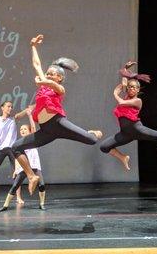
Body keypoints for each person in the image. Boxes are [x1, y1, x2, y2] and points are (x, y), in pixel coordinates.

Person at [11, 34, 102, 193]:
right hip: (46, 130)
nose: (48, 75)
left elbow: (50, 83)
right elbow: (36, 64)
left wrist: (43, 81)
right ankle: (31, 176)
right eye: (47, 73)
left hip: (59, 124)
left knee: (91, 140)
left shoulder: (59, 89)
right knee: (16, 147)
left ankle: (94, 133)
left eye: (52, 74)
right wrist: (33, 46)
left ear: (60, 77)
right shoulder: (44, 85)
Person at [100, 61, 157, 170]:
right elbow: (124, 80)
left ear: (138, 90)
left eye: (134, 87)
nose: (131, 89)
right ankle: (123, 158)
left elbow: (121, 103)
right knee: (104, 147)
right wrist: (125, 68)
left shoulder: (137, 101)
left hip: (138, 129)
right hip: (126, 134)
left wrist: (115, 93)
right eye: (130, 87)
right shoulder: (126, 96)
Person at [0, 108, 46, 211]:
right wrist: (15, 169)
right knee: (15, 186)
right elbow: (17, 157)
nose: (22, 130)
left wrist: (29, 116)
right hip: (24, 169)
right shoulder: (19, 143)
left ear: (29, 131)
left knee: (41, 184)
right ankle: (5, 205)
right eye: (21, 130)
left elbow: (33, 127)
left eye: (24, 129)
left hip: (35, 167)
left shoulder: (34, 141)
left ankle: (42, 204)